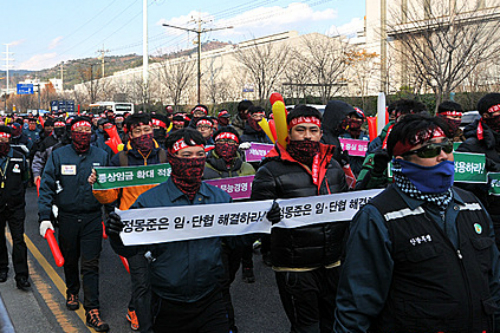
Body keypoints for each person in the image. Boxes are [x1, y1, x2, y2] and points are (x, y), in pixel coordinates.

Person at [334, 113, 500, 333]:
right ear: (402, 162)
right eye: (429, 150)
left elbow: (493, 282)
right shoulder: (378, 216)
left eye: (447, 147)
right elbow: (356, 305)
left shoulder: (472, 205)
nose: (443, 156)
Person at [106, 128, 232, 333]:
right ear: (173, 159)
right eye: (187, 155)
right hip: (166, 301)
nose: (195, 160)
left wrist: (263, 222)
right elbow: (130, 250)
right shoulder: (150, 201)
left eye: (200, 155)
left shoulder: (220, 198)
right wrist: (117, 235)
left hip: (210, 298)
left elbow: (237, 243)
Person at [251, 105, 348, 333]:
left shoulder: (333, 166)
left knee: (332, 322)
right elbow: (254, 218)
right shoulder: (269, 171)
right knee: (306, 327)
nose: (307, 136)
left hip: (332, 263)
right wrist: (267, 216)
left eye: (313, 130)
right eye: (300, 130)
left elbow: (346, 208)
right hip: (295, 268)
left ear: (321, 133)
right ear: (289, 134)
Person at [90, 113, 167, 332]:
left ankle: (143, 310)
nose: (144, 135)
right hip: (133, 231)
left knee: (160, 278)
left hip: (163, 228)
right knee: (142, 282)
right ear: (129, 134)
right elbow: (110, 197)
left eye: (147, 129)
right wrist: (99, 185)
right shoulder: (120, 160)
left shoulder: (164, 156)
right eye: (138, 131)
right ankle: (143, 322)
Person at [38, 117, 110, 332]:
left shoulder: (102, 155)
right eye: (78, 131)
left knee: (91, 264)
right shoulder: (59, 155)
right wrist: (44, 216)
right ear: (71, 133)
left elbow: (110, 189)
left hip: (92, 218)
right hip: (67, 217)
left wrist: (113, 214)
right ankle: (72, 290)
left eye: (87, 130)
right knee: (70, 259)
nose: (83, 134)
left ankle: (92, 309)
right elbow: (47, 186)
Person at [202, 126, 256, 333]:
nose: (227, 146)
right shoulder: (204, 169)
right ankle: (227, 325)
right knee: (221, 284)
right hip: (214, 236)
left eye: (232, 143)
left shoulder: (248, 169)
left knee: (228, 278)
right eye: (222, 142)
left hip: (239, 234)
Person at [456, 92, 500, 249]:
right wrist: (481, 174)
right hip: (488, 222)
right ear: (485, 116)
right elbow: (458, 187)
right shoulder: (471, 147)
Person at [355, 99, 427, 190]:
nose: (408, 127)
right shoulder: (379, 154)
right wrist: (376, 173)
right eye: (403, 121)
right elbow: (359, 192)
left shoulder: (437, 153)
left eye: (414, 122)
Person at [0, 125, 31, 291]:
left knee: (18, 239)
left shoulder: (19, 157)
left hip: (16, 206)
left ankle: (22, 275)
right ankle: (2, 268)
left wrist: (16, 194)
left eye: (5, 140)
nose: (2, 143)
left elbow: (25, 179)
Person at [338, 107, 370, 177]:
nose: (354, 120)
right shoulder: (341, 136)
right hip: (344, 175)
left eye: (357, 117)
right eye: (352, 117)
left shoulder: (367, 137)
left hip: (362, 175)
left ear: (362, 120)